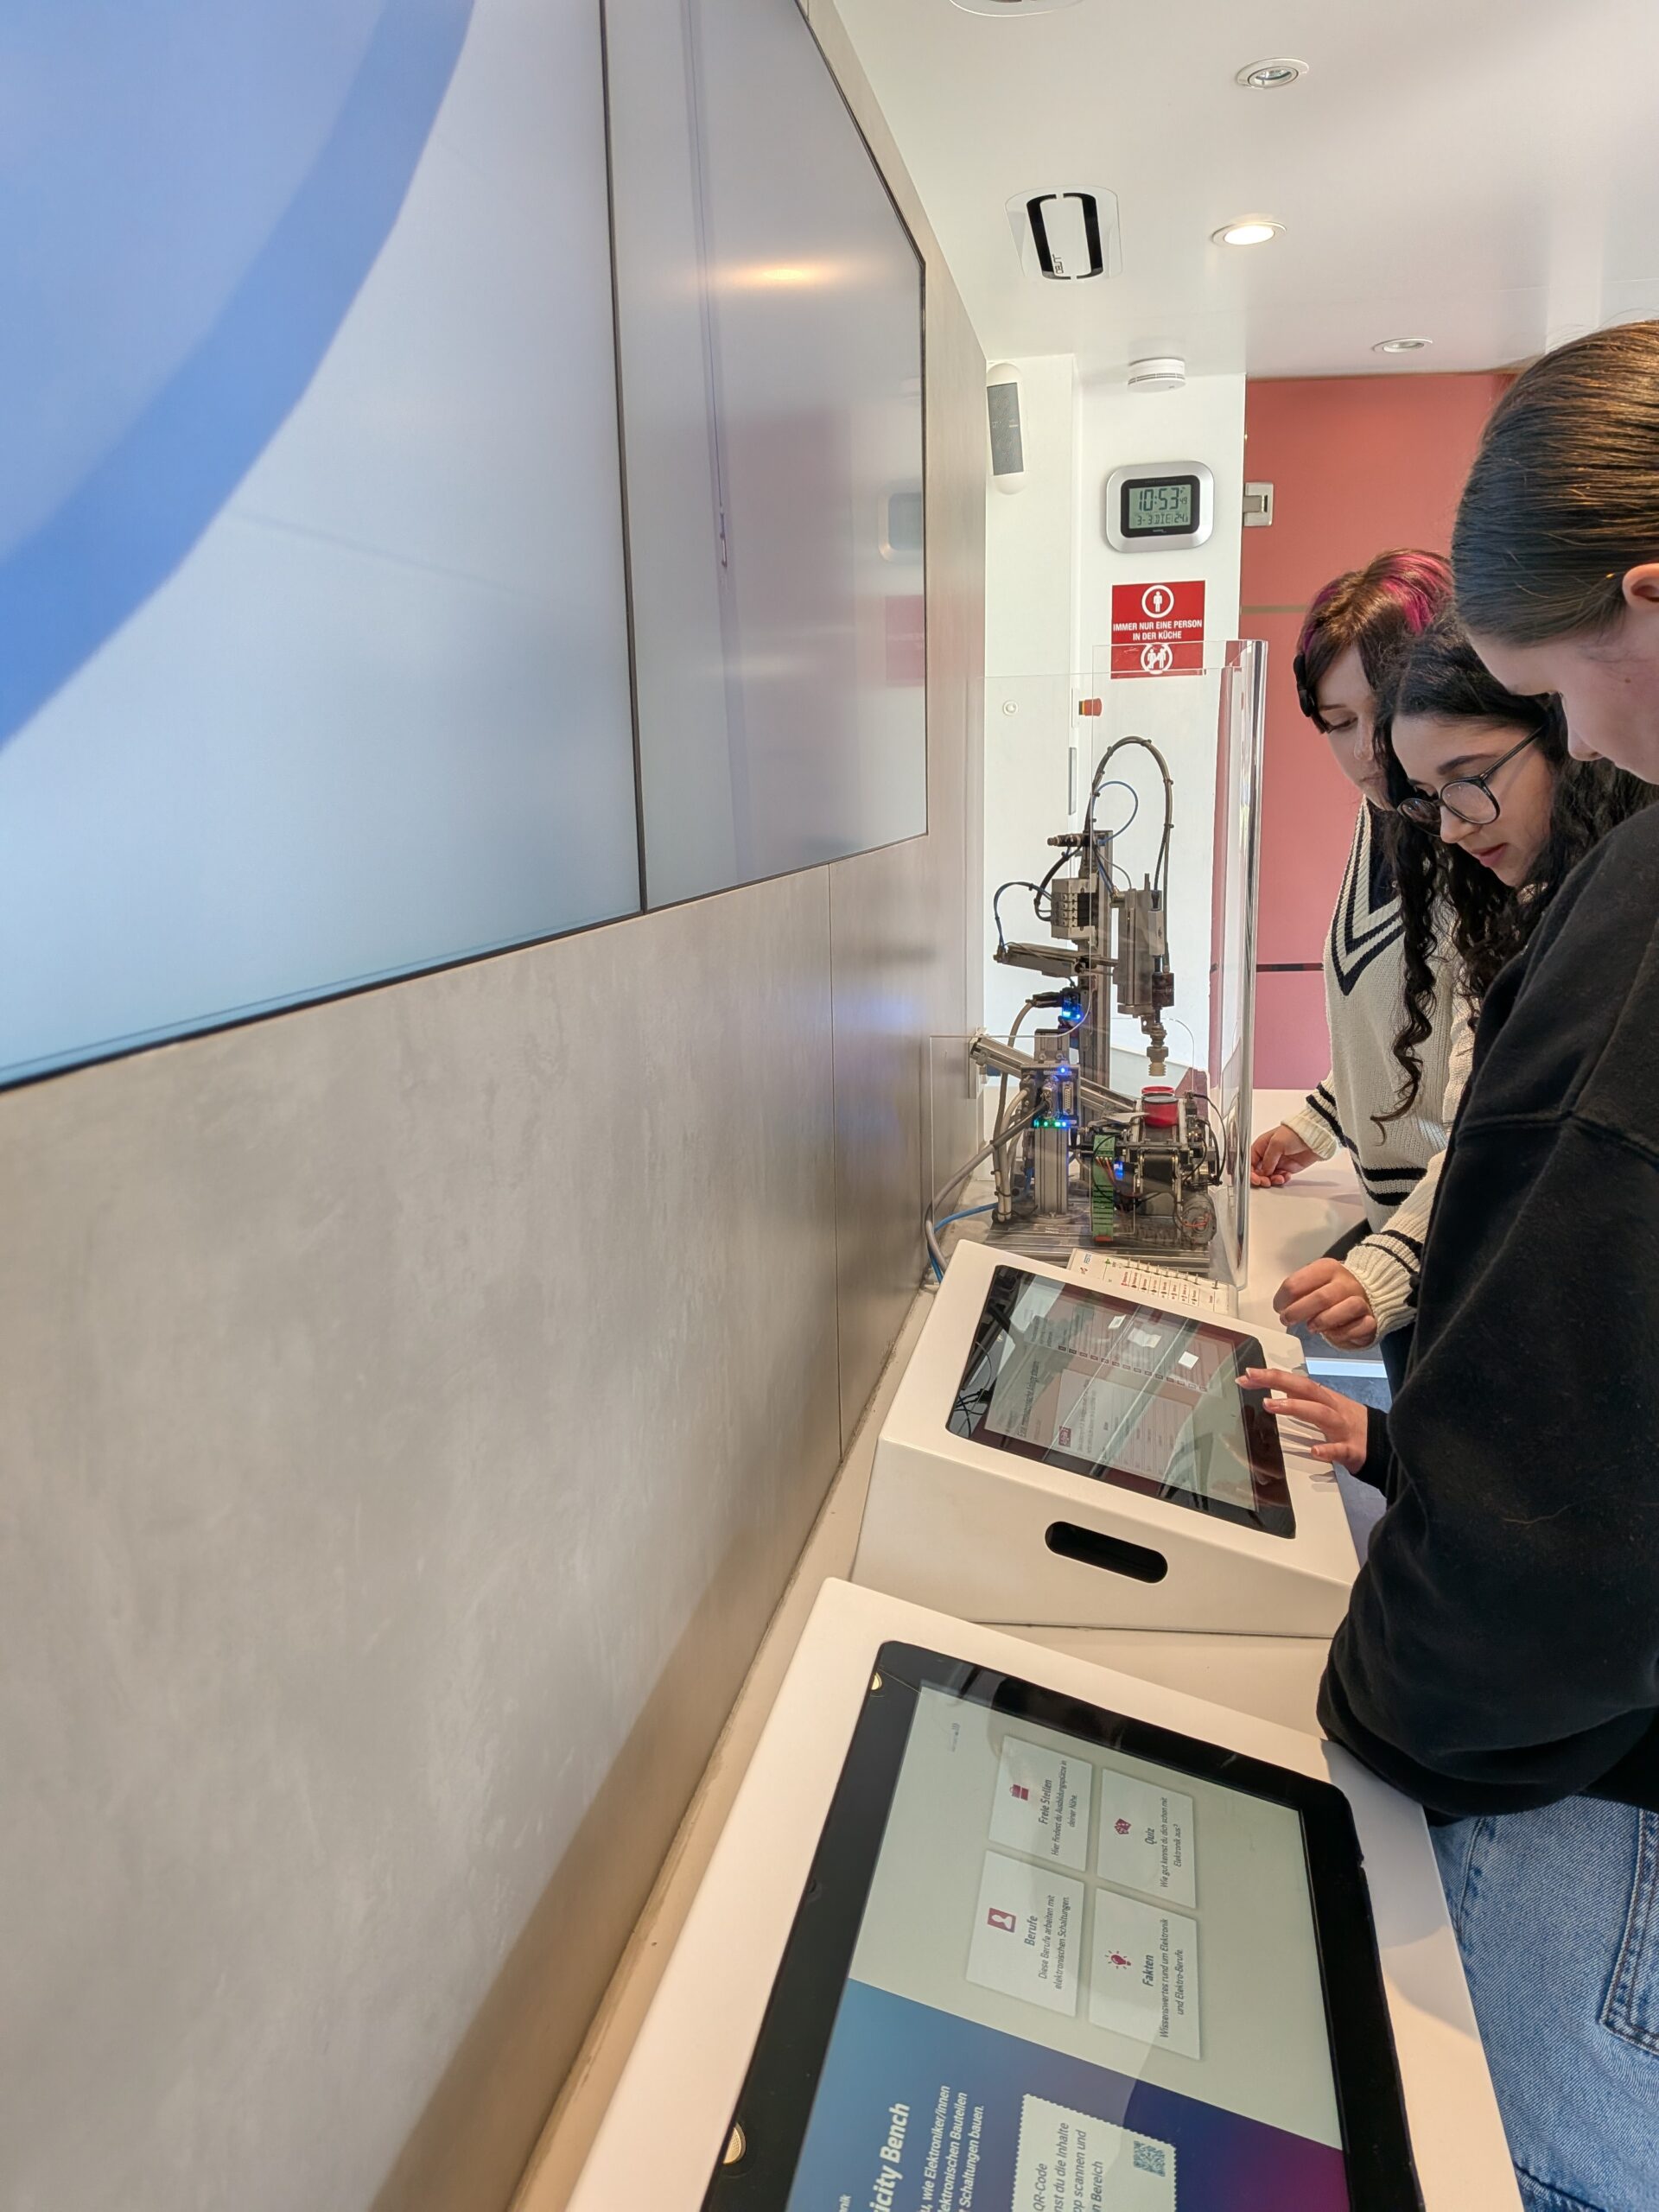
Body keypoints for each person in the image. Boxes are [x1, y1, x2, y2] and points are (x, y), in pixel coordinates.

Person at [1250, 321, 1659, 2212]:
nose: (1595, 751)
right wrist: (1413, 1457)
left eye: (1554, 700)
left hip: (1577, 1786)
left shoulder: (1631, 896)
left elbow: (1572, 1452)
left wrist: (1377, 1702)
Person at [1248, 550, 1457, 1389]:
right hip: (1405, 1225)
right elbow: (1405, 1021)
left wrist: (1392, 1263)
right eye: (1337, 722)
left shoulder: (1477, 840)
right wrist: (1320, 1120)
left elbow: (1494, 1099)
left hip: (1451, 1234)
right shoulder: (1385, 816)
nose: (1369, 749)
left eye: (1390, 710)